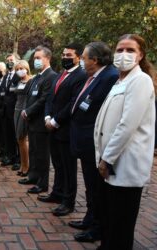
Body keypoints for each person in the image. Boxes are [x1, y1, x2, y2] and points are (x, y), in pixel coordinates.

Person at [94, 34, 156, 250]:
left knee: (121, 223)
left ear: (140, 55)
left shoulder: (141, 80)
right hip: (112, 162)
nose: (124, 55)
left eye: (130, 50)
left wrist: (106, 159)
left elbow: (127, 124)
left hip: (125, 162)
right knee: (110, 218)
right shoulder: (121, 80)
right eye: (120, 50)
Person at [69, 42, 119, 243]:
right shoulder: (94, 77)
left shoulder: (110, 77)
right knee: (90, 185)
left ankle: (97, 227)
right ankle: (90, 218)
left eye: (83, 57)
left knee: (97, 188)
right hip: (84, 140)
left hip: (94, 142)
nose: (81, 61)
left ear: (95, 60)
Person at [38, 44, 87, 216]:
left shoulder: (81, 76)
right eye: (64, 54)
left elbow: (73, 102)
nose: (65, 57)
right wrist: (47, 117)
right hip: (52, 126)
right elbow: (51, 98)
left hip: (65, 128)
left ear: (78, 57)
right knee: (58, 164)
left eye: (69, 55)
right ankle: (57, 193)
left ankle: (68, 201)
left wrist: (56, 121)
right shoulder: (61, 74)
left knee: (68, 168)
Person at [19, 46, 57, 194]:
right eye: (35, 58)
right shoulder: (38, 76)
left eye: (38, 58)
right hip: (32, 121)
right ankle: (33, 176)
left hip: (41, 122)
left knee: (42, 154)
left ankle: (43, 183)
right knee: (34, 151)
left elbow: (44, 99)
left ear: (47, 59)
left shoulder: (51, 76)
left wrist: (28, 111)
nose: (35, 61)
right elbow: (31, 96)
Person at [0, 54, 20, 168]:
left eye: (11, 60)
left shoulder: (19, 75)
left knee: (17, 136)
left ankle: (18, 159)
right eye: (7, 61)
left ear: (17, 61)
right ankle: (10, 156)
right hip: (6, 111)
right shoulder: (6, 75)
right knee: (8, 135)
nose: (9, 62)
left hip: (15, 110)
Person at [12, 60, 31, 177]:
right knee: (19, 139)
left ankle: (27, 166)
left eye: (21, 68)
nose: (19, 71)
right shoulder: (19, 81)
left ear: (27, 68)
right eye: (17, 69)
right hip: (16, 110)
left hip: (25, 111)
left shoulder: (32, 80)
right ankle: (22, 164)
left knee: (23, 138)